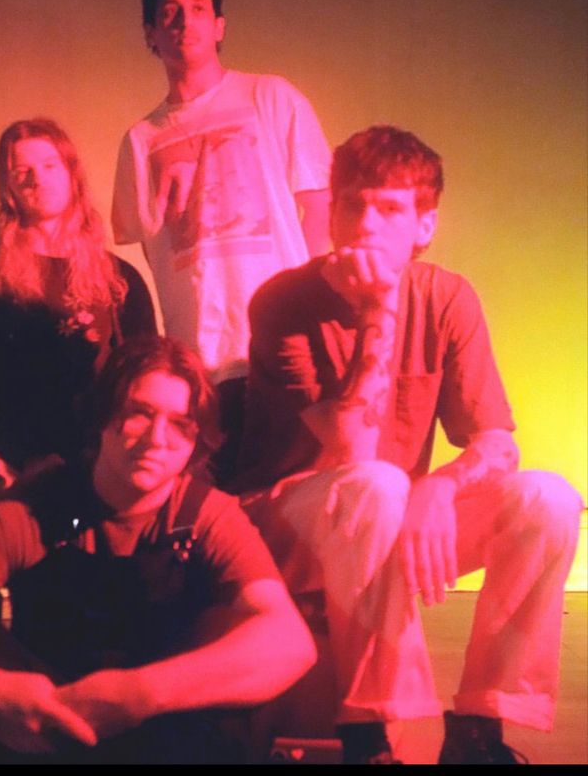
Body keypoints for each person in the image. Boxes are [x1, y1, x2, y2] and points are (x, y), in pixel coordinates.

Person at [228, 125, 583, 764]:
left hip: (381, 512)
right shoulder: (281, 301)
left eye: (389, 208)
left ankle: (482, 727)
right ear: (332, 213)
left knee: (548, 498)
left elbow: (497, 442)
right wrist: (378, 312)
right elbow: (350, 450)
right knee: (378, 484)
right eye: (352, 204)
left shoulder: (449, 296)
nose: (366, 223)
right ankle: (375, 734)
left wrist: (441, 487)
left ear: (424, 225)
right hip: (282, 525)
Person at [0, 336, 316, 764]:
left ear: (196, 440)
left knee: (245, 649)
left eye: (180, 424)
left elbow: (290, 642)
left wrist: (140, 694)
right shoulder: (35, 505)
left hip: (159, 728)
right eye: (139, 413)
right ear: (103, 416)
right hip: (38, 719)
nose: (158, 438)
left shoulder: (207, 515)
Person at [0, 118, 157, 562]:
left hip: (87, 456)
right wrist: (19, 457)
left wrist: (78, 457)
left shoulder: (120, 282)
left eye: (50, 165)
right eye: (23, 172)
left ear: (72, 174)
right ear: (8, 188)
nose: (38, 179)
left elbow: (143, 385)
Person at [112, 0, 331, 478]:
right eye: (168, 14)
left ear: (220, 26)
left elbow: (317, 205)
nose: (184, 23)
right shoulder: (141, 139)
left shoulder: (269, 96)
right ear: (150, 33)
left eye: (197, 10)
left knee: (291, 486)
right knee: (223, 493)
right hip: (201, 353)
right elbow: (148, 243)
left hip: (280, 338)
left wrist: (309, 312)